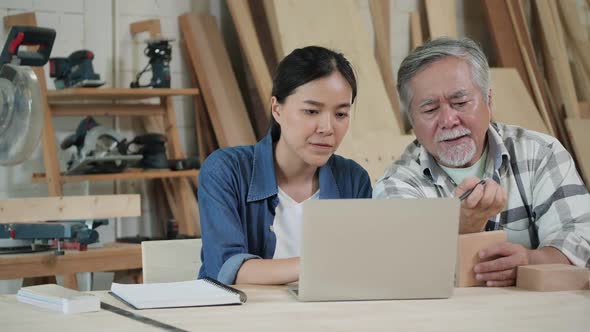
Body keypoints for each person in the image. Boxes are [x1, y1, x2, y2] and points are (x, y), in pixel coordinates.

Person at [374, 37, 590, 286]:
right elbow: (402, 267)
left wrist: (530, 260)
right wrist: (459, 225)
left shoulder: (541, 154)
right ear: (412, 122)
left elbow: (580, 235)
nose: (448, 120)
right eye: (430, 109)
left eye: (460, 102)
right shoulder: (397, 184)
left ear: (489, 101)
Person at [198, 46, 372, 285]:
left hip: (327, 319)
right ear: (277, 109)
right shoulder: (226, 171)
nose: (327, 128)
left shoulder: (353, 179)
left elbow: (359, 271)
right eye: (311, 111)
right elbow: (227, 270)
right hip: (241, 318)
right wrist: (322, 263)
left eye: (341, 114)